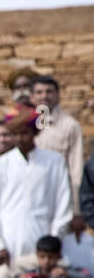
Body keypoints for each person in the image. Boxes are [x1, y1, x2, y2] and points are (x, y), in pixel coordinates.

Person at [0, 109, 72, 278]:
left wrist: (52, 243)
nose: (20, 139)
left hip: (42, 247)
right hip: (8, 246)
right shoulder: (0, 166)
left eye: (24, 133)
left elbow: (63, 206)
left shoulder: (54, 162)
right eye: (15, 134)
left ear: (35, 132)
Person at [32, 74, 84, 219]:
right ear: (33, 97)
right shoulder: (25, 125)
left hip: (58, 198)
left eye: (49, 91)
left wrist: (76, 210)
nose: (44, 96)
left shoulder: (69, 126)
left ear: (57, 95)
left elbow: (76, 170)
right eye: (39, 92)